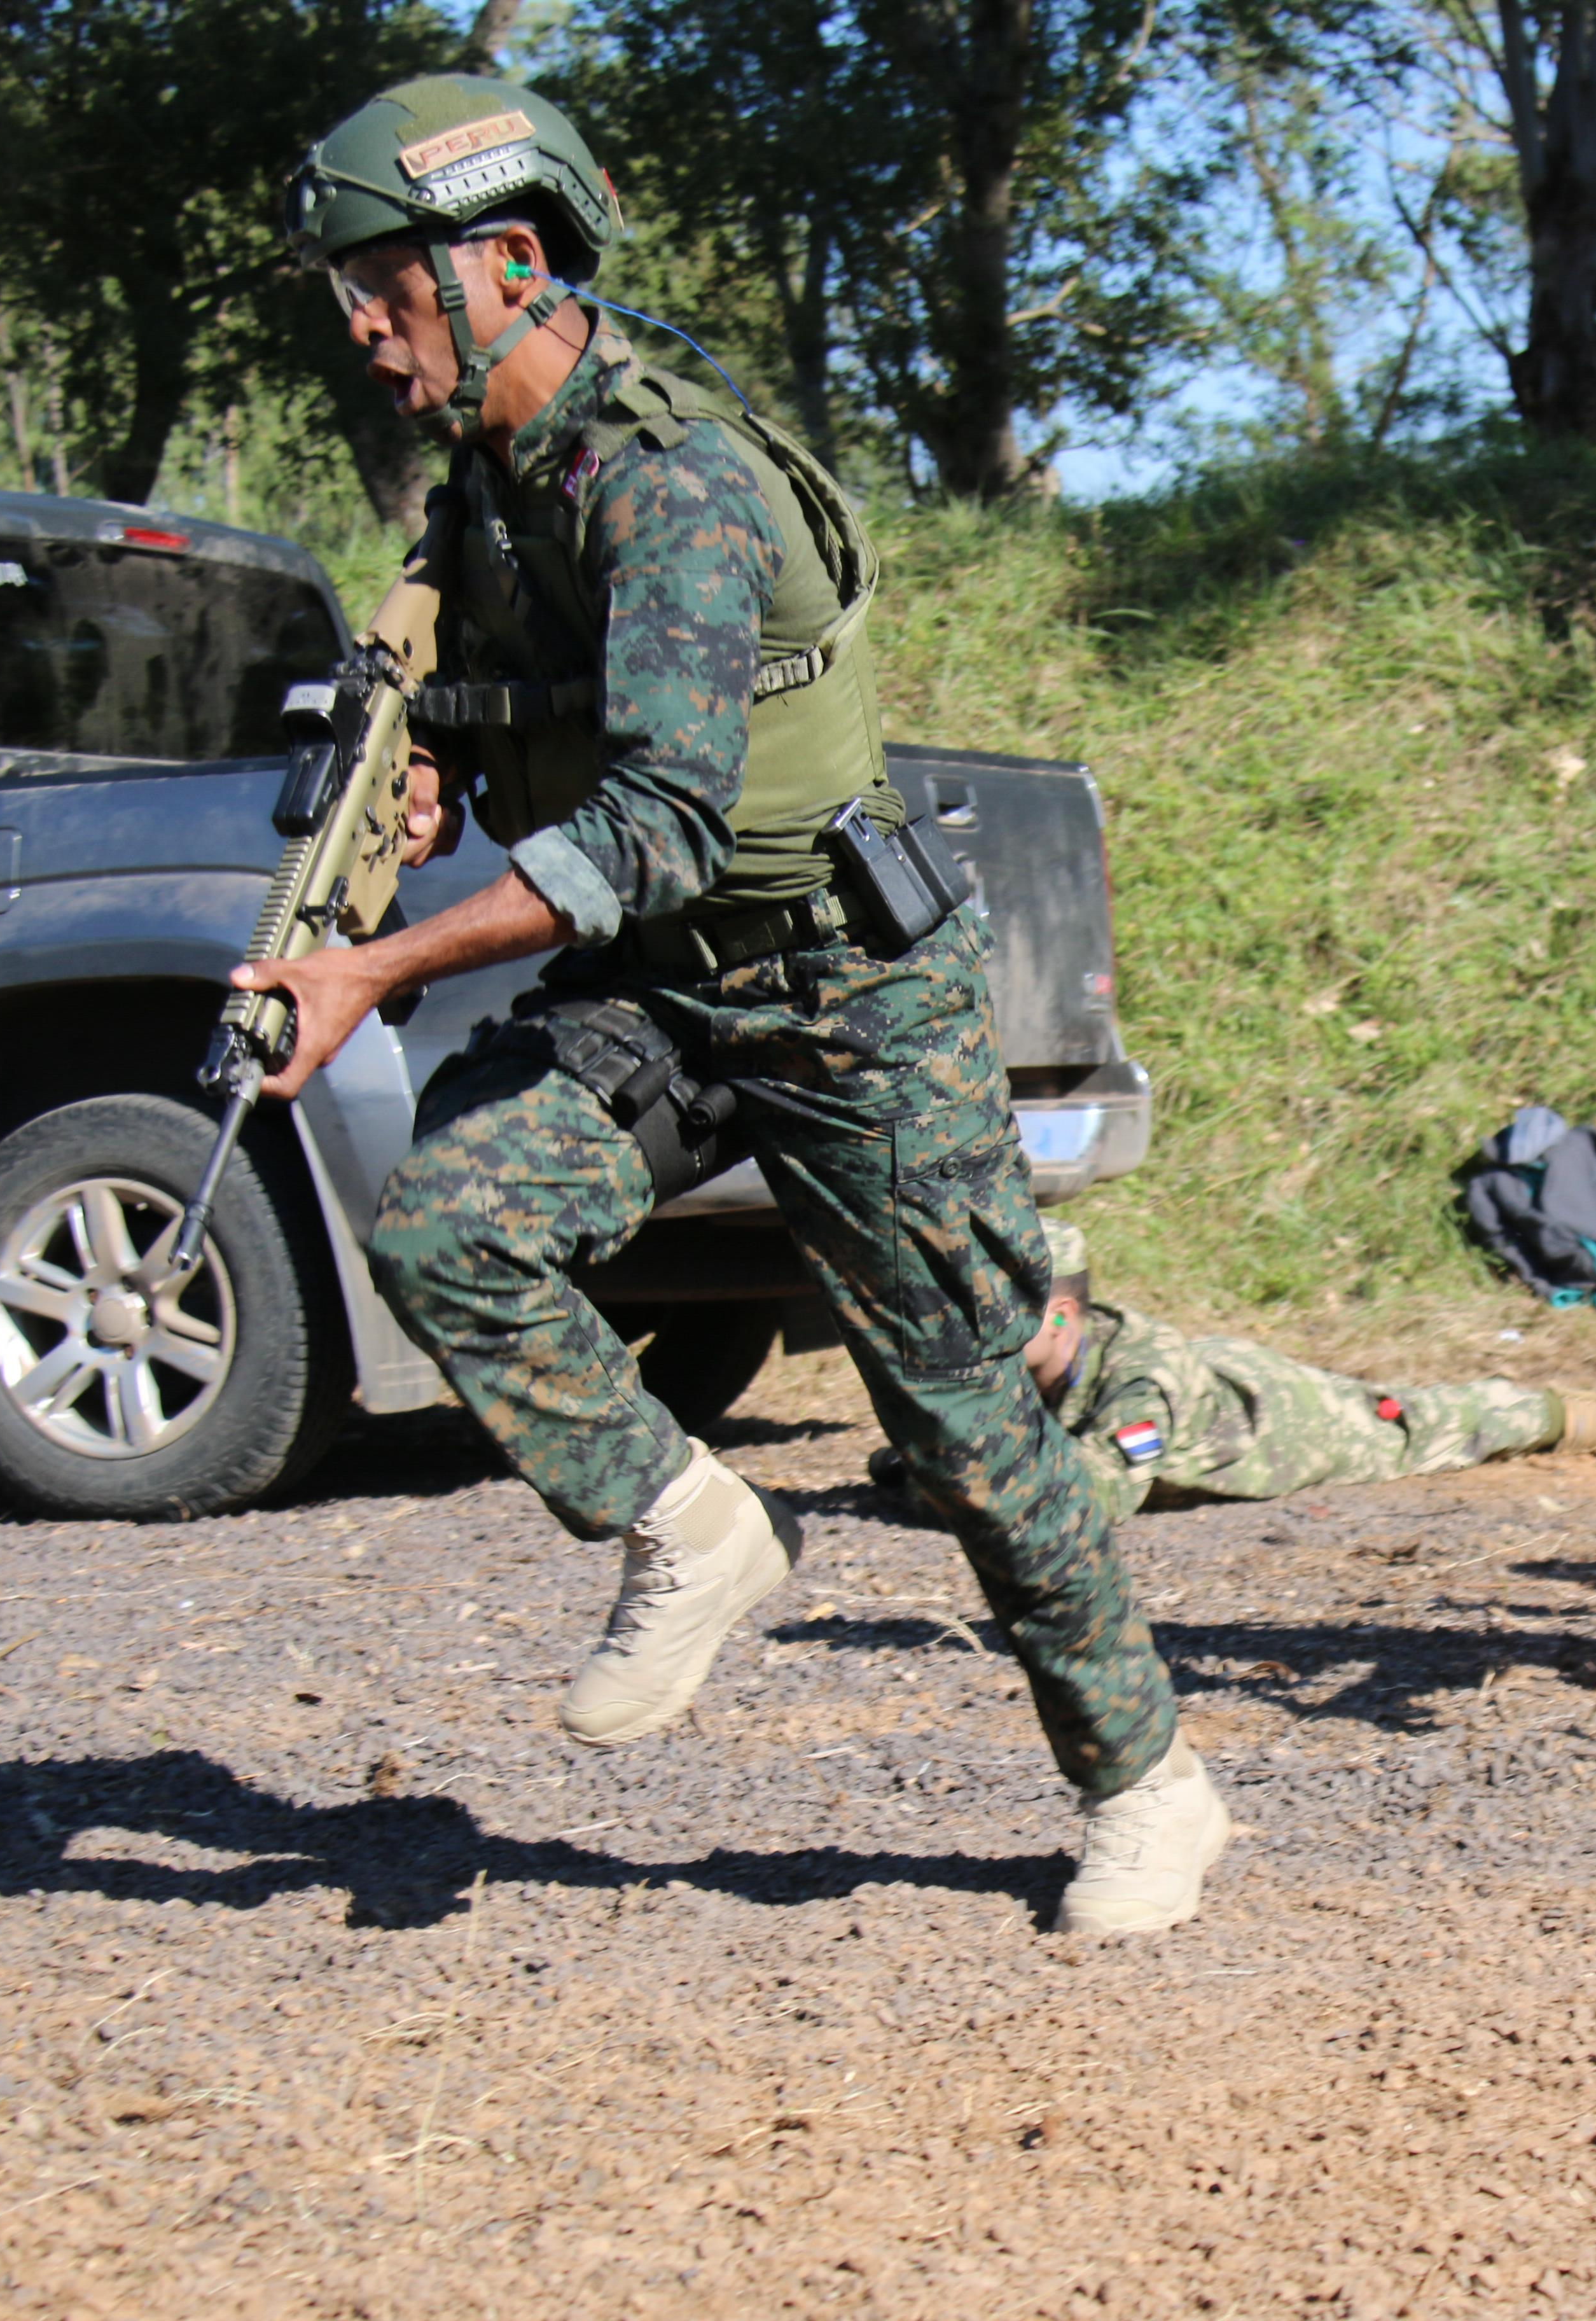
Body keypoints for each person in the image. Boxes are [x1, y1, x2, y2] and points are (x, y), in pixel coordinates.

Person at [263, 76, 1222, 1936]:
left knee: (963, 1428)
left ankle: (1149, 1785)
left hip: (848, 996)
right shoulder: (493, 489)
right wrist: (435, 767)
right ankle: (688, 1527)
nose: (363, 332)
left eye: (383, 286)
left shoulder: (672, 482)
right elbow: (517, 714)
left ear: (507, 263)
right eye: (346, 296)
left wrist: (369, 970)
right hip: (668, 1001)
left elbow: (663, 822)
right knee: (449, 1223)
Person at [865, 1218, 1596, 1522]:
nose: (981, 1330)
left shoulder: (1139, 1390)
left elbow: (1099, 1495)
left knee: (1440, 1421)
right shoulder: (1023, 1365)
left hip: (1288, 1422)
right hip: (1217, 1377)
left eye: (1004, 1313)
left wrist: (957, 1475)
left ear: (1063, 1318)